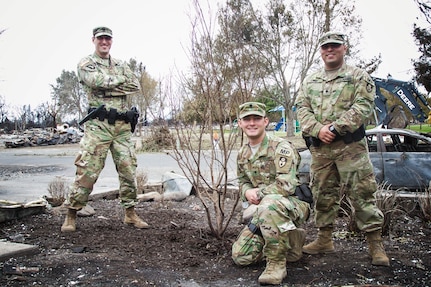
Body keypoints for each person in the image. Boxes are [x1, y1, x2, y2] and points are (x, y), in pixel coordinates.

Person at [294, 31, 390, 266]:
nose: (330, 50)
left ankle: (375, 246)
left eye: (335, 46)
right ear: (321, 51)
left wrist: (335, 129)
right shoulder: (311, 80)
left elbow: (364, 106)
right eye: (326, 47)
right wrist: (317, 130)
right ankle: (324, 240)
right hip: (321, 151)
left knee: (362, 194)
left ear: (344, 48)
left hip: (350, 149)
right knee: (322, 194)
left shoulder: (358, 76)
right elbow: (301, 108)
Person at [61, 26, 148, 232]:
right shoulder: (86, 63)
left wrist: (106, 85)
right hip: (98, 125)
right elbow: (94, 80)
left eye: (108, 39)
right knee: (88, 169)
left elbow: (134, 84)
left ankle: (130, 213)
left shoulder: (120, 64)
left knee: (128, 169)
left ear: (111, 41)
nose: (104, 42)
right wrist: (116, 82)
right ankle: (71, 213)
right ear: (93, 40)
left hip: (122, 126)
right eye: (100, 39)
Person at [231, 102, 311, 285]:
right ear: (240, 123)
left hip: (293, 204)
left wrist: (257, 194)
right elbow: (243, 181)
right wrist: (246, 191)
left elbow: (286, 186)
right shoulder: (242, 153)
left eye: (257, 119)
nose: (252, 123)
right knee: (241, 257)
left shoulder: (281, 147)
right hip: (265, 210)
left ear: (265, 121)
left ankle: (276, 265)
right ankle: (292, 238)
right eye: (247, 119)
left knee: (269, 204)